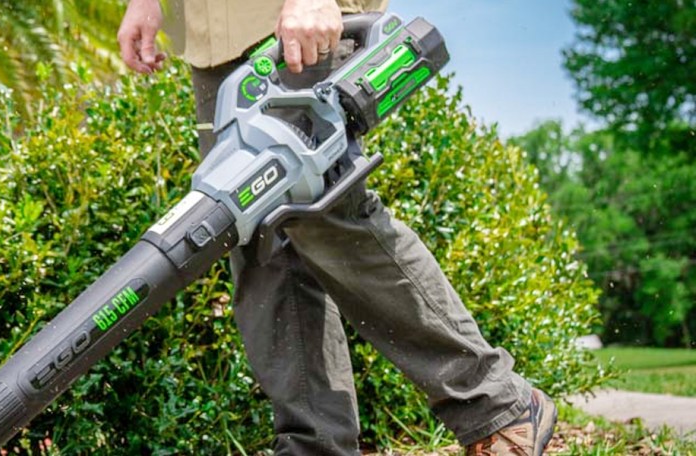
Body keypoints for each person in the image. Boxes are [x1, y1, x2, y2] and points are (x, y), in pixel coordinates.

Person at [116, 0, 557, 455]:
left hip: (296, 18)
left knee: (328, 216)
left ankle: (497, 404)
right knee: (257, 235)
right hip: (214, 38)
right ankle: (316, 447)